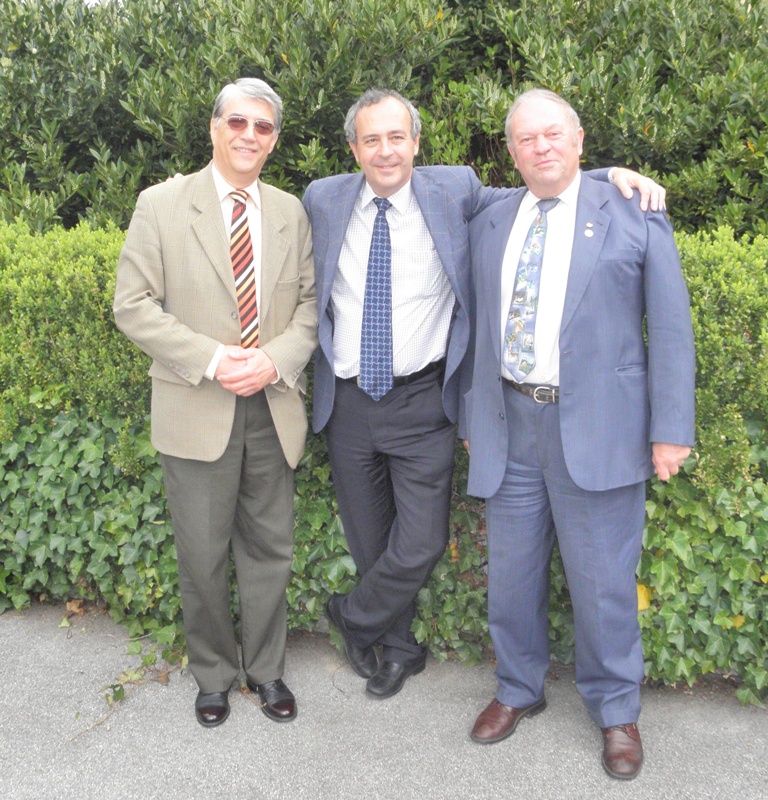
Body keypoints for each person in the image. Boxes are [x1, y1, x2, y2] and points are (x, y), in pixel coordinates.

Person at [302, 88, 666, 700]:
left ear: (416, 142)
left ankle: (352, 615)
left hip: (422, 400)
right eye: (372, 139)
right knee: (370, 539)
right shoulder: (322, 198)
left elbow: (545, 183)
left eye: (397, 137)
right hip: (348, 401)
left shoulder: (456, 190)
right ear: (354, 149)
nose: (386, 150)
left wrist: (610, 175)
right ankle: (398, 649)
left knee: (419, 541)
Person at [462, 88, 695, 779]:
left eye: (554, 134)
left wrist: (670, 429)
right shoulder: (490, 216)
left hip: (599, 429)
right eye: (526, 139)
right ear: (510, 152)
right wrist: (475, 417)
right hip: (509, 425)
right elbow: (474, 327)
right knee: (510, 578)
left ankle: (616, 710)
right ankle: (517, 688)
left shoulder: (633, 210)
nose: (541, 147)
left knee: (602, 584)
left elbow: (671, 329)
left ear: (581, 139)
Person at [113, 78, 317, 728]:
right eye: (238, 122)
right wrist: (212, 358)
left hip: (272, 406)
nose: (249, 135)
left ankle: (266, 670)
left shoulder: (289, 212)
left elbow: (310, 306)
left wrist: (274, 359)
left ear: (274, 140)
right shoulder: (161, 205)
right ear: (214, 127)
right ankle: (213, 675)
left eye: (263, 126)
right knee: (201, 556)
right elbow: (132, 305)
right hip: (198, 406)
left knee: (269, 552)